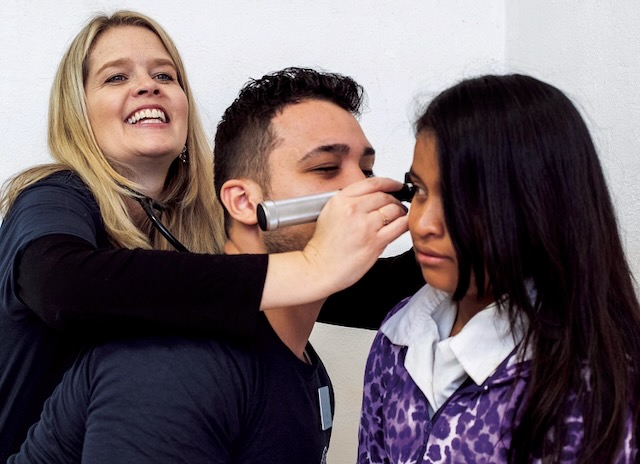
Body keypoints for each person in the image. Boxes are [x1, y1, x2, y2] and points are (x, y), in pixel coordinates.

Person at [0, 11, 423, 461]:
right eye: (116, 77)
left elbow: (348, 289)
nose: (147, 85)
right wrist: (314, 263)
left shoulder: (194, 233)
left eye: (165, 74)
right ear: (77, 112)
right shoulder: (55, 197)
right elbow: (62, 286)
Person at [358, 74, 640, 463]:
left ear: (540, 204)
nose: (422, 224)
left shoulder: (592, 388)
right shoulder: (395, 341)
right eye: (419, 190)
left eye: (464, 197)